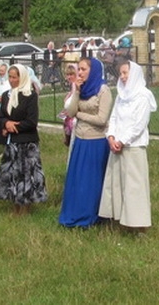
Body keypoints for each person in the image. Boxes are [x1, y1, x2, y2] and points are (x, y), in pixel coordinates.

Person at [99, 61, 157, 234]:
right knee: (117, 185)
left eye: (126, 73)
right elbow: (114, 117)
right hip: (116, 146)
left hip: (133, 147)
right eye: (121, 74)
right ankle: (121, 220)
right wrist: (110, 137)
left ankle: (140, 226)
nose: (123, 77)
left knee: (135, 187)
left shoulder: (143, 96)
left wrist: (122, 141)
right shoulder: (121, 95)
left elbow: (139, 124)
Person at [59, 57, 112, 228]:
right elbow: (71, 110)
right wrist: (76, 91)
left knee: (91, 182)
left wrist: (79, 116)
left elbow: (102, 119)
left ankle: (91, 215)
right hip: (80, 139)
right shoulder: (82, 89)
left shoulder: (103, 90)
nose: (80, 73)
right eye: (79, 69)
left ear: (93, 70)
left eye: (83, 69)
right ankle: (75, 213)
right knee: (77, 180)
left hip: (95, 141)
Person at [0, 64, 47, 214]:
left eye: (15, 77)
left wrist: (17, 126)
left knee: (27, 175)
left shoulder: (30, 95)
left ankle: (26, 206)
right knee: (13, 174)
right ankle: (14, 204)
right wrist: (6, 123)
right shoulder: (8, 95)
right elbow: (1, 115)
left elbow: (32, 121)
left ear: (22, 77)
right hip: (12, 142)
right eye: (10, 77)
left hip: (27, 142)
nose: (12, 80)